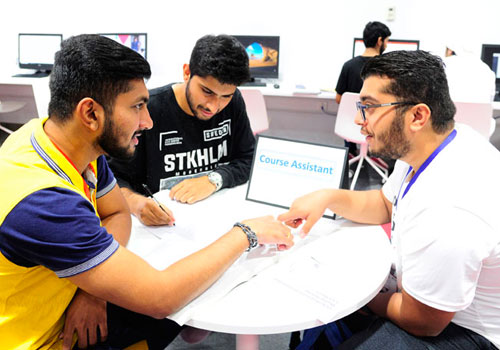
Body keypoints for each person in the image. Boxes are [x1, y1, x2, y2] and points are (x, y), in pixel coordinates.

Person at [0, 34, 294, 350]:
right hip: (46, 339)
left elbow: (116, 212)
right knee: (175, 303)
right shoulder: (46, 204)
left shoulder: (60, 141)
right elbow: (160, 297)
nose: (148, 120)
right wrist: (246, 233)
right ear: (91, 114)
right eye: (138, 106)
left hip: (67, 297)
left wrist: (92, 289)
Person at [280, 50, 500, 349]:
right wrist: (328, 197)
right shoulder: (434, 144)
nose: (358, 119)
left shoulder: (450, 209)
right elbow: (386, 204)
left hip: (463, 329)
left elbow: (423, 321)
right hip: (426, 300)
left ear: (417, 116)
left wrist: (359, 297)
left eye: (369, 107)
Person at [108, 34, 255, 227]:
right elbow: (110, 177)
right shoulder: (147, 110)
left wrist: (213, 180)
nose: (214, 106)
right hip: (159, 227)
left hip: (216, 218)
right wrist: (135, 203)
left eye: (225, 96)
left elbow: (248, 159)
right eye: (207, 91)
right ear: (187, 73)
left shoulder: (234, 102)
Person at [335, 21, 391, 156]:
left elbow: (338, 99)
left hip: (350, 126)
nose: (387, 45)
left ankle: (351, 154)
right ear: (379, 41)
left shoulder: (348, 66)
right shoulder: (387, 68)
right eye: (387, 41)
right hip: (376, 129)